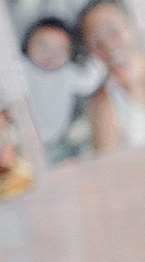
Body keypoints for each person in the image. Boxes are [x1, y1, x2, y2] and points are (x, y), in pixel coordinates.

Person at [74, 0, 145, 155]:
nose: (108, 46)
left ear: (133, 26)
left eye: (113, 31)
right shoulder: (104, 104)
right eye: (96, 42)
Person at [13, 12, 103, 162]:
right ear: (27, 44)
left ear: (70, 54)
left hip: (53, 137)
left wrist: (96, 57)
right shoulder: (22, 67)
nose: (50, 54)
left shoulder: (68, 73)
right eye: (43, 45)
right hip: (18, 132)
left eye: (60, 49)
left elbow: (90, 82)